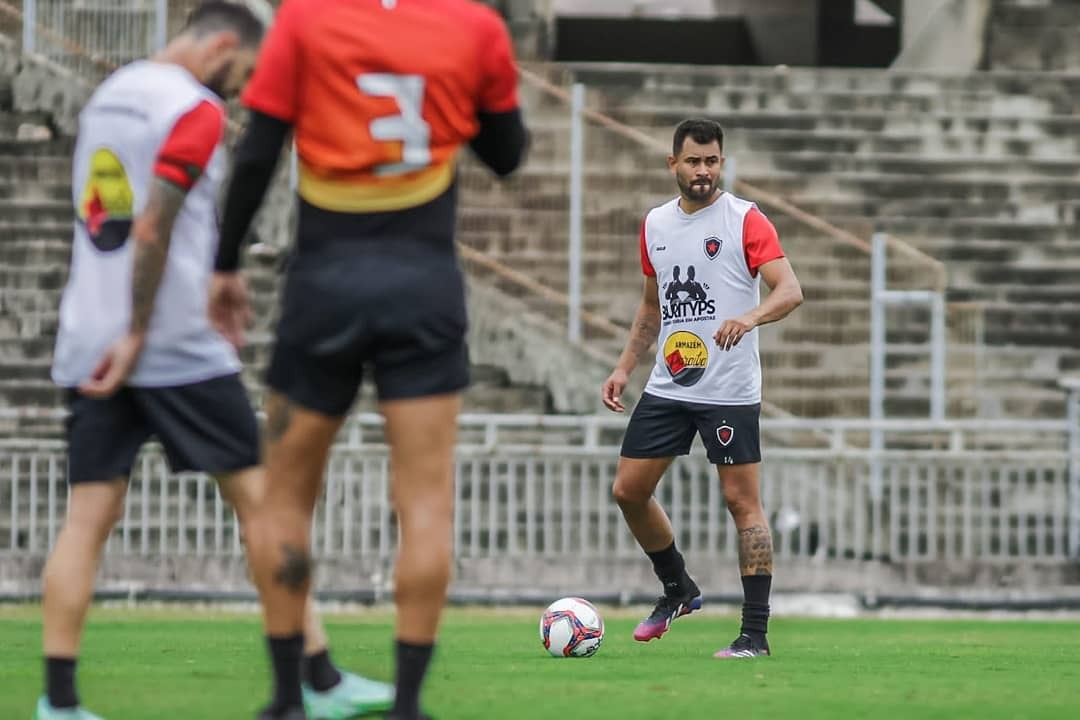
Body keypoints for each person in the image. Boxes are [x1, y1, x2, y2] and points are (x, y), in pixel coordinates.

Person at [38, 4, 391, 719]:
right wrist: (140, 331)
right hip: (172, 343)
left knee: (86, 520)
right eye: (246, 73)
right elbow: (150, 223)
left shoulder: (108, 94)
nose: (241, 89)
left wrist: (118, 332)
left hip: (87, 336)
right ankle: (310, 683)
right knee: (264, 507)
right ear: (223, 45)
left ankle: (59, 702)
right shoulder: (192, 109)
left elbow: (106, 210)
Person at [206, 0, 528, 717]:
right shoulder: (474, 27)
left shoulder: (305, 20)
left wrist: (223, 264)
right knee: (424, 505)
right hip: (424, 285)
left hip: (325, 283)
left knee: (286, 498)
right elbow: (508, 153)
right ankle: (409, 703)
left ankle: (288, 695)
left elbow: (257, 151)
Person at [601, 118, 803, 659]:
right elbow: (652, 307)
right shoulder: (655, 225)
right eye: (693, 161)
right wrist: (624, 367)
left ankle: (754, 635)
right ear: (673, 164)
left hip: (730, 390)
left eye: (712, 161)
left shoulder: (745, 220)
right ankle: (678, 589)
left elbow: (790, 290)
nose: (703, 172)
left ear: (722, 163)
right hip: (671, 382)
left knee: (743, 505)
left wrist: (751, 317)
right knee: (628, 490)